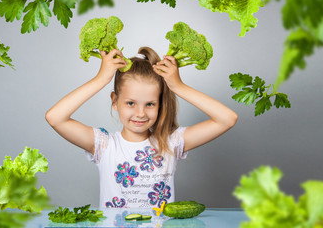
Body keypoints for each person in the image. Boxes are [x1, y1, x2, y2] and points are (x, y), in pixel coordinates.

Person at [45, 47, 238, 209]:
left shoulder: (171, 142)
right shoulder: (104, 145)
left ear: (160, 104)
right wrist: (101, 79)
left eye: (150, 104)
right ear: (115, 101)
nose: (140, 113)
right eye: (130, 103)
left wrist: (178, 87)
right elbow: (55, 118)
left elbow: (227, 119)